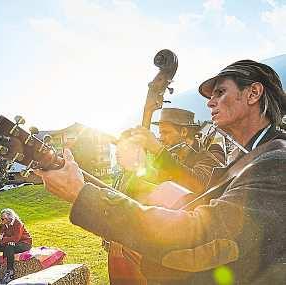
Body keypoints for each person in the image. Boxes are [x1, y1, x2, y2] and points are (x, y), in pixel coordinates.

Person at [34, 59, 286, 284]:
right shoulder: (246, 158)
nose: (210, 102)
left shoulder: (276, 161)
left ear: (253, 93)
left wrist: (80, 193)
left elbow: (202, 236)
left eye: (220, 93)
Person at [116, 107, 225, 204]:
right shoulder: (174, 157)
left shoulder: (209, 154)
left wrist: (158, 150)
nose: (161, 138)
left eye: (166, 132)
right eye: (160, 133)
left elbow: (199, 185)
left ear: (183, 132)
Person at [0, 208, 32, 284]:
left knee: (9, 247)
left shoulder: (18, 223)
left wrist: (5, 239)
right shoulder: (3, 224)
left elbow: (16, 238)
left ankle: (10, 273)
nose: (1, 220)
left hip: (24, 243)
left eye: (3, 219)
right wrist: (7, 240)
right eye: (1, 218)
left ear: (10, 218)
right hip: (11, 243)